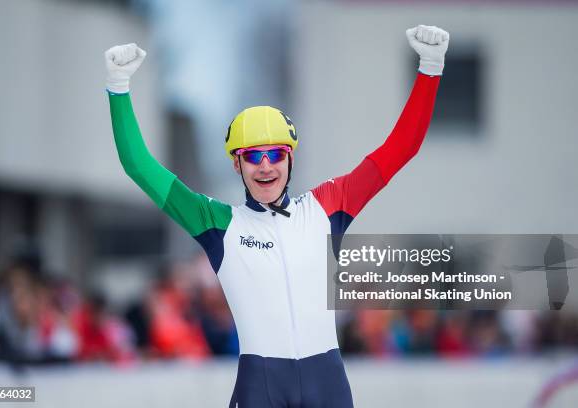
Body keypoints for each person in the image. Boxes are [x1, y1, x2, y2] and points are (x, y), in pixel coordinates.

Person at [105, 24, 449, 407]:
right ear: (237, 166)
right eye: (252, 156)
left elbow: (402, 147)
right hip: (261, 387)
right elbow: (139, 166)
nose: (265, 166)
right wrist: (118, 88)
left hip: (327, 384)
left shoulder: (327, 206)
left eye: (276, 154)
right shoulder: (218, 224)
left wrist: (430, 68)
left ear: (290, 158)